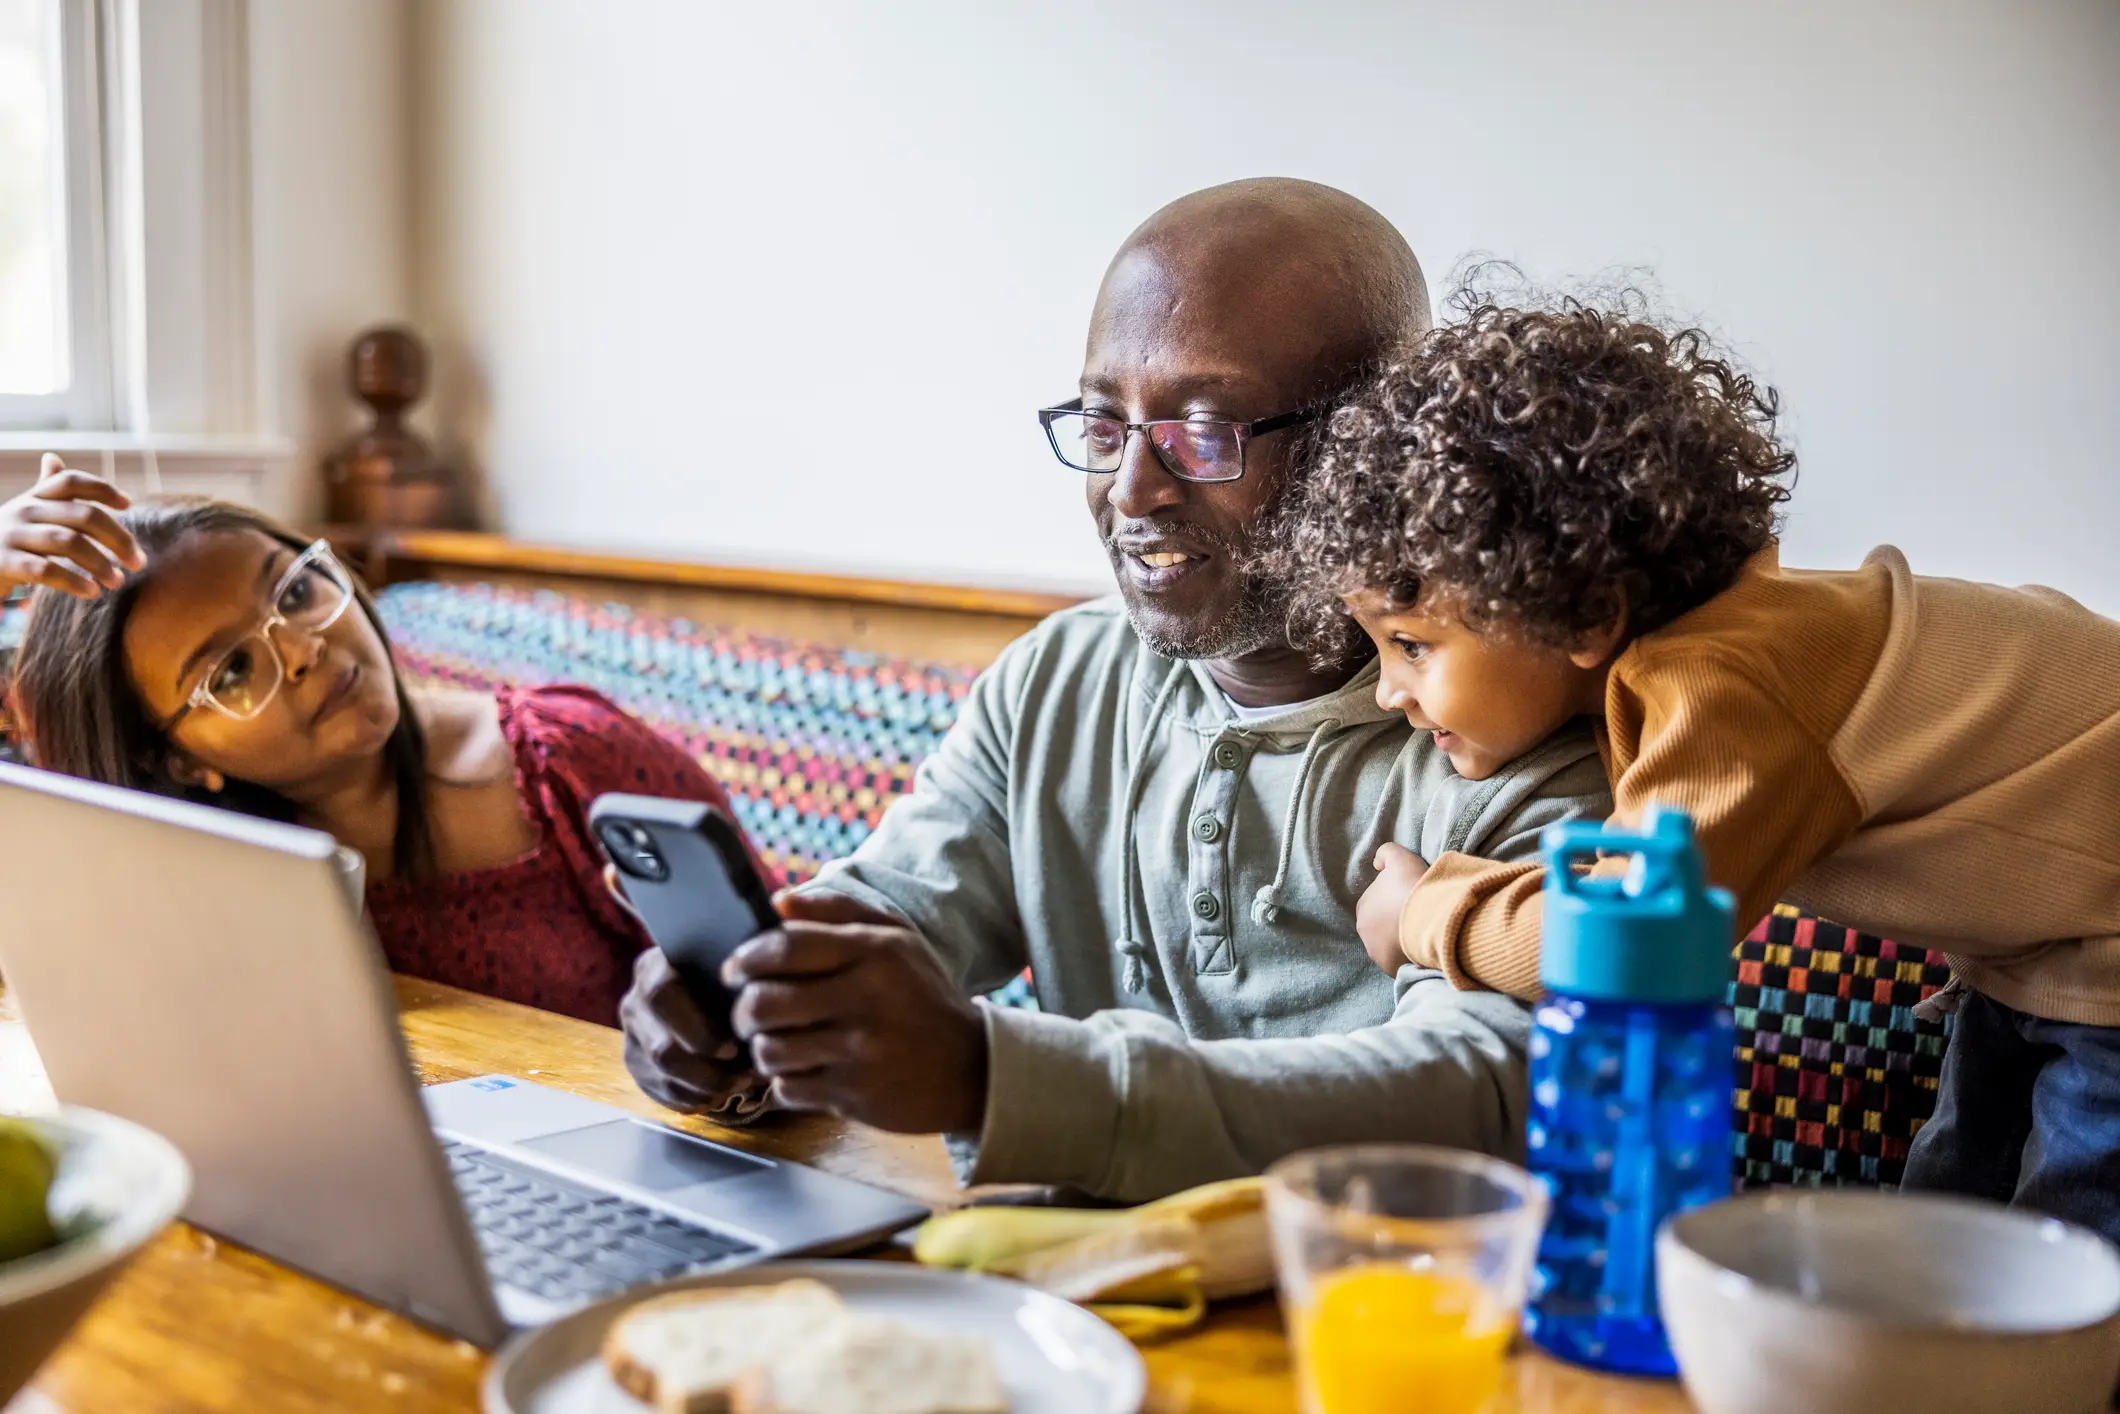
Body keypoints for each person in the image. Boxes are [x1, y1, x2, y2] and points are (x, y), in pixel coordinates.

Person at [619, 180, 1612, 1202]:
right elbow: (900, 904)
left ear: (1370, 441)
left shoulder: (1513, 730)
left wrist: (987, 1076)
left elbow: (1476, 1092)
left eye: (1201, 428)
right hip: (1059, 1307)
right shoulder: (1058, 678)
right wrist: (749, 1018)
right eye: (1103, 426)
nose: (1130, 490)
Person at [1279, 291, 2120, 1242]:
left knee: (2079, 1283)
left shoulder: (1726, 687)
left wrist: (1427, 911)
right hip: (2036, 953)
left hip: (2104, 948)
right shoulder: (1720, 653)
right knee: (1954, 1239)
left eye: (1411, 645)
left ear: (1588, 614)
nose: (1390, 690)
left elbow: (1632, 951)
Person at [4, 456, 766, 1028]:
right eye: (233, 670)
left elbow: (787, 994)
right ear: (178, 761)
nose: (304, 646)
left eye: (296, 590)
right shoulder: (188, 871)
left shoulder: (569, 759)